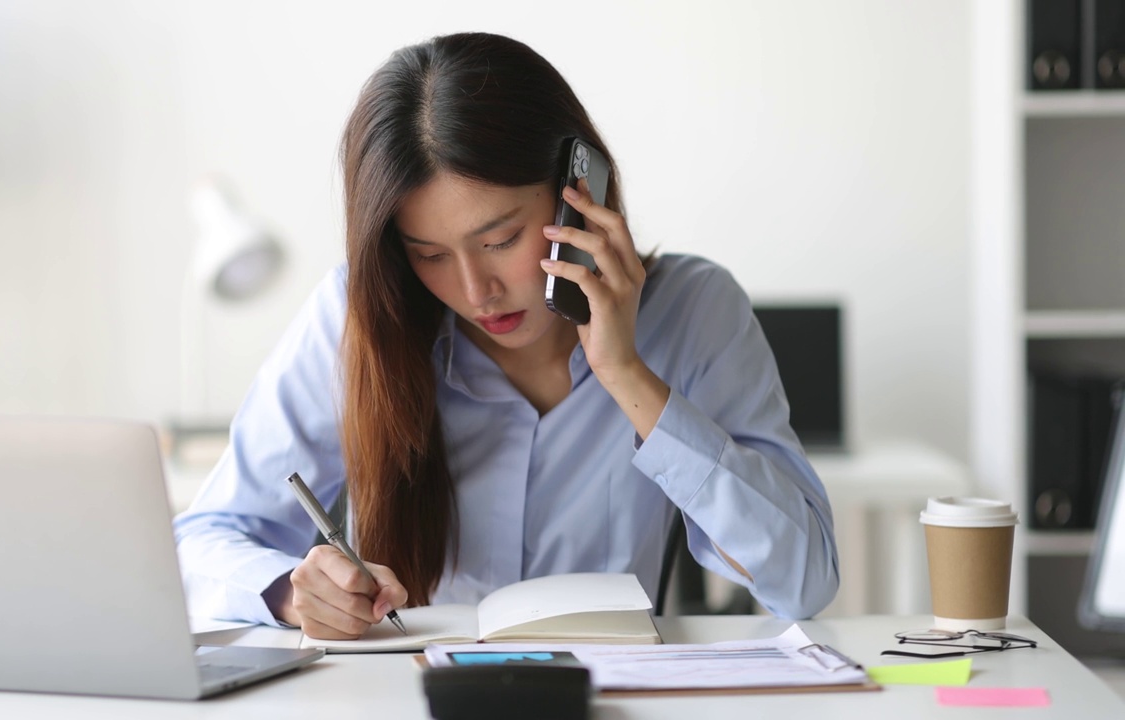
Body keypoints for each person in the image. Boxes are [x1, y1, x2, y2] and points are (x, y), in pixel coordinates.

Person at [174, 31, 839, 640]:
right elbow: (202, 541)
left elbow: (803, 582)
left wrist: (627, 375)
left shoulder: (696, 310)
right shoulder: (360, 317)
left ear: (580, 192)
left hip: (609, 696)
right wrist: (292, 593)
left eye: (500, 240)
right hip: (409, 696)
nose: (474, 290)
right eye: (428, 253)